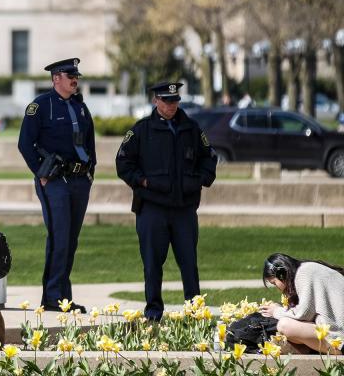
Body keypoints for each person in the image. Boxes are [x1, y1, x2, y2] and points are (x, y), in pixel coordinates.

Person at [116, 81, 217, 321]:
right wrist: (143, 182)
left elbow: (209, 158)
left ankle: (194, 312)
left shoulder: (191, 128)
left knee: (189, 264)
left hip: (184, 209)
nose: (172, 105)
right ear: (156, 101)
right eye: (167, 101)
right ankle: (153, 312)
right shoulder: (141, 130)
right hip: (152, 209)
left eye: (175, 101)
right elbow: (123, 163)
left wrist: (201, 179)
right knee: (152, 264)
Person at [17, 58, 95, 312]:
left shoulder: (79, 106)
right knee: (59, 239)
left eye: (76, 77)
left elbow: (88, 141)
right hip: (54, 181)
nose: (75, 80)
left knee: (71, 241)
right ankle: (51, 298)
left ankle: (64, 298)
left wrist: (90, 170)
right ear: (56, 78)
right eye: (70, 76)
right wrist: (40, 172)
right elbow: (25, 144)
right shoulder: (40, 106)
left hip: (78, 181)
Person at [260, 253, 344, 354]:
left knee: (284, 325)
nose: (277, 287)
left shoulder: (304, 273)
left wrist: (276, 311)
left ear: (281, 274)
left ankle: (333, 351)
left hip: (339, 341)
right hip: (339, 334)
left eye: (274, 282)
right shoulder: (309, 268)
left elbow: (304, 314)